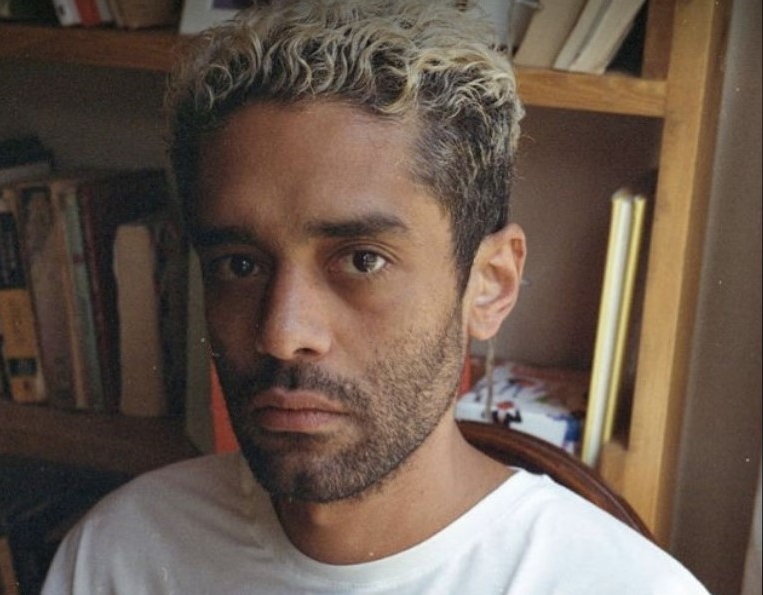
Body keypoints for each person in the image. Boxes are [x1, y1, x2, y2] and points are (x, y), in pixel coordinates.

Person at [42, 1, 710, 593]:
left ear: (490, 284)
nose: (283, 333)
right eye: (239, 264)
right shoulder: (119, 553)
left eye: (362, 260)